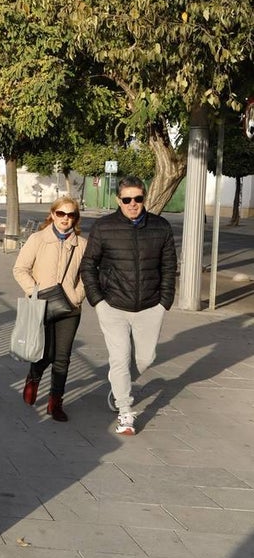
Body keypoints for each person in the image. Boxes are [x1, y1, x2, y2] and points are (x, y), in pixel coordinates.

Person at [79, 176, 177, 436]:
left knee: (145, 359)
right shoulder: (104, 227)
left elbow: (169, 267)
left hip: (150, 306)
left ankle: (117, 385)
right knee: (120, 358)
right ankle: (125, 411)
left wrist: (164, 302)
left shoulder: (161, 227)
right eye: (127, 199)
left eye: (138, 199)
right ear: (118, 200)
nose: (133, 204)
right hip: (113, 305)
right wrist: (98, 301)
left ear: (144, 198)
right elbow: (88, 265)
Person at [12, 197, 86, 422]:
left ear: (75, 218)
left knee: (62, 357)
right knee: (45, 352)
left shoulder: (82, 244)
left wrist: (76, 296)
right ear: (53, 215)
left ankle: (56, 402)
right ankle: (33, 378)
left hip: (70, 308)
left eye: (71, 215)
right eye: (61, 214)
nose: (66, 219)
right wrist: (35, 291)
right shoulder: (38, 239)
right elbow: (20, 269)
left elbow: (88, 276)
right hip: (40, 306)